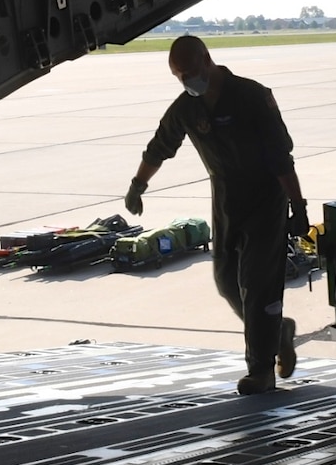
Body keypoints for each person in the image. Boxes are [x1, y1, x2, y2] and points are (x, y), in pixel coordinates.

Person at [126, 36, 309, 395]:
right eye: (179, 77)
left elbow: (281, 158)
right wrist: (138, 184)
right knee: (227, 283)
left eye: (190, 73)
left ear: (207, 61)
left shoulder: (251, 96)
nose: (186, 82)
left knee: (258, 286)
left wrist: (298, 206)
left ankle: (261, 370)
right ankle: (277, 330)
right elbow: (160, 146)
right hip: (225, 200)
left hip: (264, 199)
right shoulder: (187, 108)